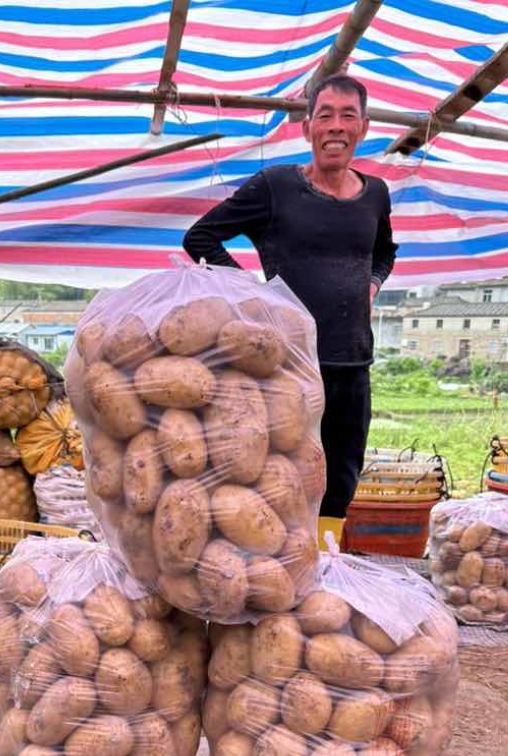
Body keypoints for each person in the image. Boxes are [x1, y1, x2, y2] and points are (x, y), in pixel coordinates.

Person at [183, 73, 398, 546]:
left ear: (363, 127)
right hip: (285, 369)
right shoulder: (275, 186)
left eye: (347, 116)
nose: (336, 126)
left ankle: (325, 562)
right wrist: (253, 295)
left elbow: (385, 251)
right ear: (307, 128)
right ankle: (277, 566)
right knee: (280, 476)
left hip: (352, 365)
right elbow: (200, 237)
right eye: (325, 115)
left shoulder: (376, 193)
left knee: (340, 477)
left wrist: (373, 283)